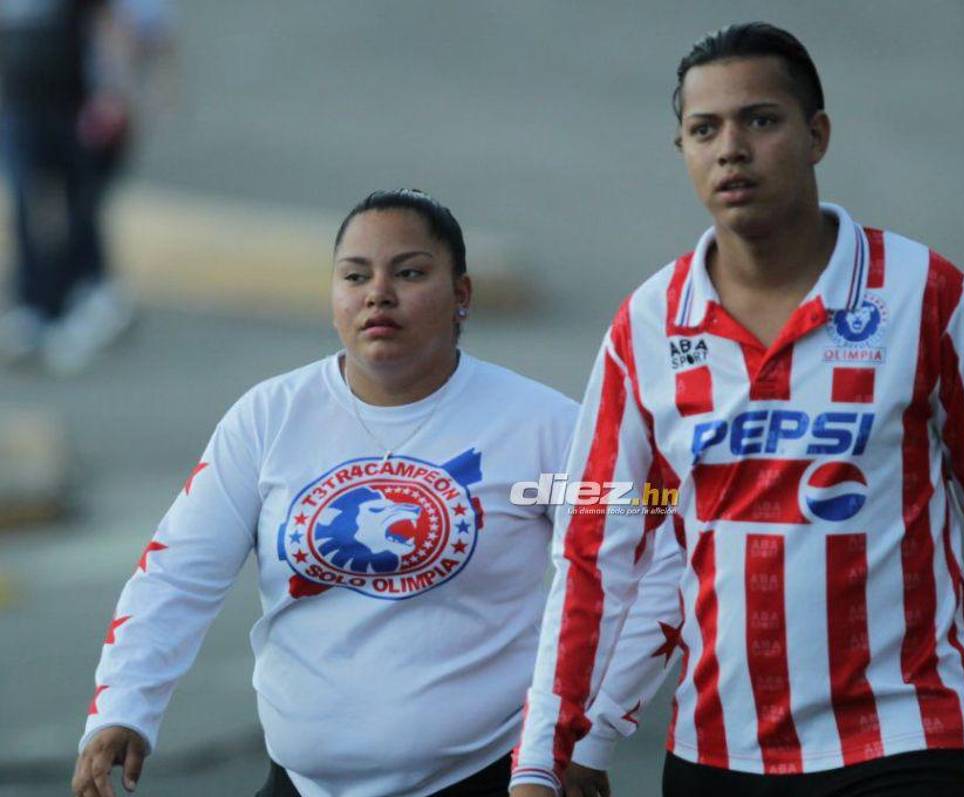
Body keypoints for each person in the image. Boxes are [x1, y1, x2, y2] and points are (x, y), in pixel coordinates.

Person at [511, 23, 964, 797]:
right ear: (683, 151)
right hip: (714, 755)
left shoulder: (925, 296)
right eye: (705, 129)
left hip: (904, 738)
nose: (731, 148)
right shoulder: (646, 326)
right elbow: (597, 554)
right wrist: (550, 753)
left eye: (760, 120)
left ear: (817, 135)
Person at [73, 189, 593, 797]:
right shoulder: (270, 418)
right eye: (355, 275)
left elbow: (634, 532)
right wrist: (123, 708)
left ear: (462, 297)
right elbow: (178, 573)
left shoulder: (539, 428)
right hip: (299, 782)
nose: (379, 293)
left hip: (483, 777)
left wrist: (582, 736)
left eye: (410, 272)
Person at [0, 0, 171, 373]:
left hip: (76, 101)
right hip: (23, 102)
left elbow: (120, 29)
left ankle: (88, 298)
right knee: (31, 204)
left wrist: (114, 92)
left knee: (82, 205)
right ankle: (38, 306)